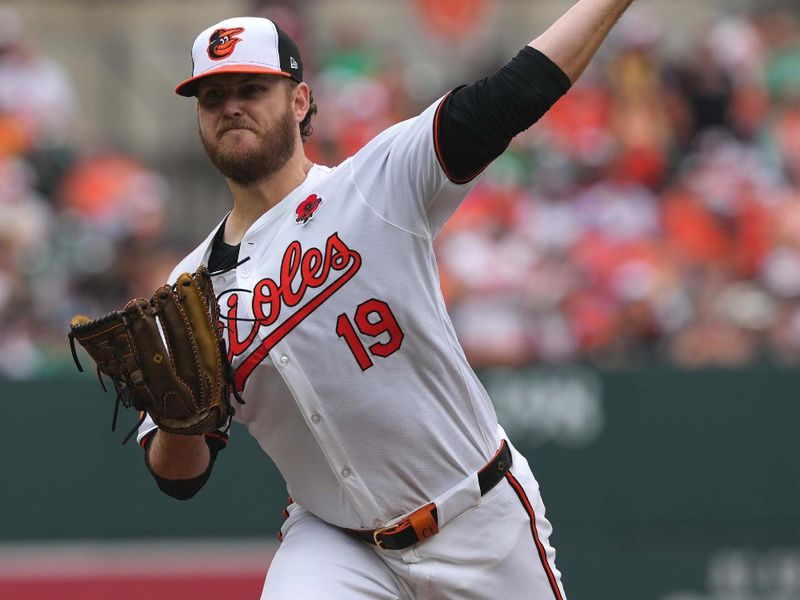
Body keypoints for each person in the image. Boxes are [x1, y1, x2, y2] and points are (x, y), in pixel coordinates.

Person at [139, 2, 635, 598]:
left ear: (299, 103)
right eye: (212, 97)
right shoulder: (187, 290)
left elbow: (513, 93)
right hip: (336, 541)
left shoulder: (374, 185)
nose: (231, 106)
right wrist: (177, 420)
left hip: (473, 515)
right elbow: (179, 478)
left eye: (251, 88)